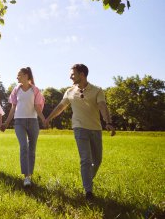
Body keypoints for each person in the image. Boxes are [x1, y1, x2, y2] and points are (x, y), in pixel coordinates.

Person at [45, 64, 115, 200]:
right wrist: (48, 118)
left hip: (95, 128)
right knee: (86, 159)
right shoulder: (70, 91)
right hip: (79, 127)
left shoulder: (97, 90)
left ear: (82, 74)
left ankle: (87, 179)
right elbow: (61, 107)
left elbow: (102, 106)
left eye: (73, 74)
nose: (70, 76)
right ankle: (88, 191)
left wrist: (108, 122)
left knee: (97, 160)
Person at [0, 67, 46, 187]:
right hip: (19, 122)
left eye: (19, 75)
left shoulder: (35, 90)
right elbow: (13, 108)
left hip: (33, 122)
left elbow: (37, 107)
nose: (17, 77)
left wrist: (43, 119)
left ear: (26, 75)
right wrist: (6, 123)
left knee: (32, 149)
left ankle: (29, 175)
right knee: (24, 146)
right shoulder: (16, 90)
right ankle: (26, 176)